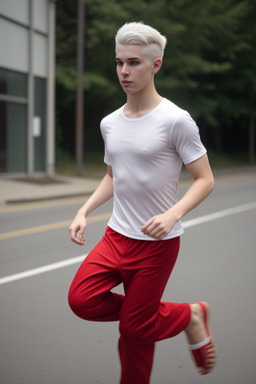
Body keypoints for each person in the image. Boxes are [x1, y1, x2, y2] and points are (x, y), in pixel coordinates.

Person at [68, 22, 217, 384]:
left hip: (157, 244)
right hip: (116, 237)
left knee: (135, 332)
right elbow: (112, 176)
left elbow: (206, 179)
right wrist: (83, 211)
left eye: (133, 62)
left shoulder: (176, 121)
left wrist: (173, 214)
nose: (123, 71)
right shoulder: (110, 123)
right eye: (119, 62)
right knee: (82, 300)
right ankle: (188, 315)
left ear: (156, 65)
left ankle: (163, 321)